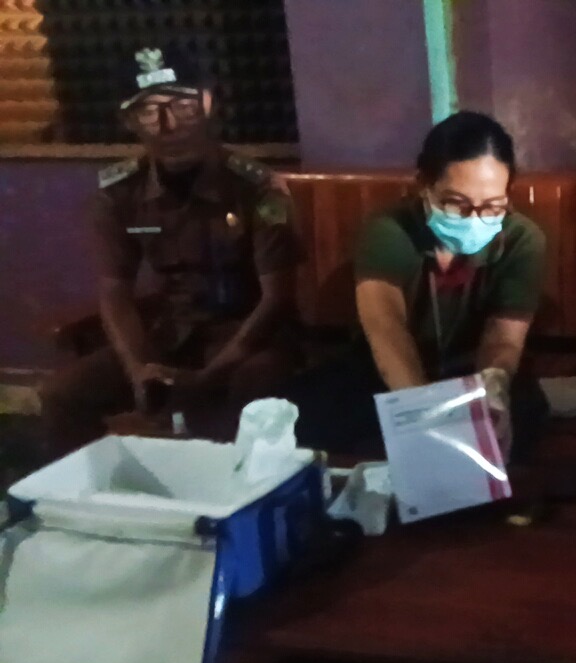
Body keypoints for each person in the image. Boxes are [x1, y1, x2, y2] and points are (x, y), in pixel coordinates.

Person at [40, 45, 301, 455]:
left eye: (182, 105)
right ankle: (91, 490)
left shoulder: (256, 187)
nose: (168, 124)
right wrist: (139, 369)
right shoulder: (119, 193)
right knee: (62, 395)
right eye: (148, 111)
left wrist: (207, 378)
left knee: (252, 386)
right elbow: (114, 290)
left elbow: (275, 299)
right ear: (128, 120)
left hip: (246, 336)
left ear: (207, 102)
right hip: (172, 331)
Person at [290, 111, 548, 461]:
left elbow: (503, 339)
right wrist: (425, 414)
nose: (475, 219)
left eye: (492, 207)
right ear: (423, 185)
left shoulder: (521, 239)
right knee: (308, 415)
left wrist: (491, 388)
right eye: (456, 204)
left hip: (468, 375)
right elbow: (386, 330)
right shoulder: (389, 230)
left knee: (524, 417)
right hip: (388, 373)